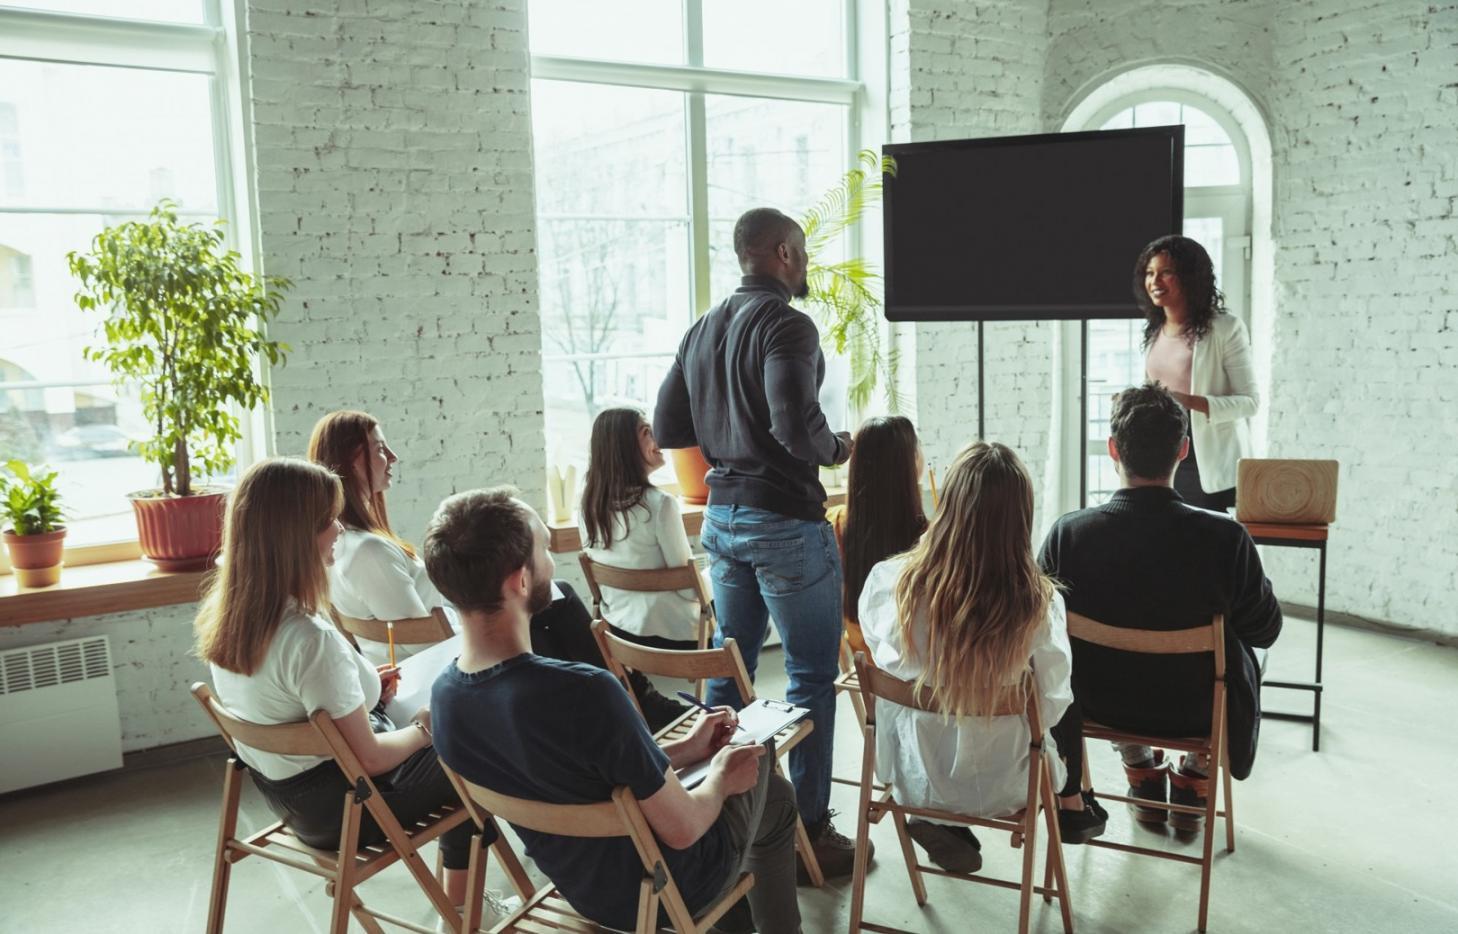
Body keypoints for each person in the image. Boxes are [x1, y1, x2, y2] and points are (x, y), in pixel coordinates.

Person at [425, 488, 802, 934]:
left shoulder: (444, 701)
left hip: (582, 889)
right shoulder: (585, 691)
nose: (551, 562)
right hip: (664, 888)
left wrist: (685, 749)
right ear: (519, 582)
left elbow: (597, 783)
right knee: (775, 797)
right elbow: (682, 830)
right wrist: (719, 777)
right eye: (545, 549)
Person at [194, 458, 515, 924]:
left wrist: (364, 693)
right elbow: (369, 760)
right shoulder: (307, 637)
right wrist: (428, 727)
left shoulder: (228, 618)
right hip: (347, 812)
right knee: (472, 739)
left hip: (292, 803)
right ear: (295, 537)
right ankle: (464, 908)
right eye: (328, 522)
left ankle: (461, 899)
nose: (339, 530)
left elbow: (296, 704)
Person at [654, 206, 861, 877]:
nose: (804, 265)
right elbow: (795, 428)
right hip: (785, 523)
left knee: (729, 675)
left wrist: (723, 462)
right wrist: (839, 449)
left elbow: (665, 420)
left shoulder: (702, 328)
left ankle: (724, 826)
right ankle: (808, 837)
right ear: (781, 253)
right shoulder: (787, 324)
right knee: (808, 678)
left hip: (723, 518)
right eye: (800, 253)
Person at [307, 410, 685, 729]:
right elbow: (426, 642)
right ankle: (630, 700)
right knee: (555, 599)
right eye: (379, 449)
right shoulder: (368, 551)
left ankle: (624, 699)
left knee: (553, 599)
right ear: (353, 459)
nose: (393, 456)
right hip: (429, 682)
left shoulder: (346, 546)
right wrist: (483, 612)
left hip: (427, 668)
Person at [1039, 383, 1282, 835]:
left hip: (1097, 702)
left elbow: (1037, 630)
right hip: (1197, 709)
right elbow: (1265, 629)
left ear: (1113, 449)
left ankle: (1138, 765)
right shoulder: (1227, 539)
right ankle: (1196, 771)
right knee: (1248, 651)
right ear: (1184, 450)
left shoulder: (1068, 535)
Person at [858, 442, 1106, 873]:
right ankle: (1072, 803)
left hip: (914, 775)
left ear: (947, 505)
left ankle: (937, 817)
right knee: (1061, 691)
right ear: (1021, 518)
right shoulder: (1038, 604)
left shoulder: (889, 584)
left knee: (928, 706)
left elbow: (888, 662)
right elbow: (1050, 708)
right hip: (1011, 785)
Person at [1136, 234, 1259, 512]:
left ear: (1190, 277)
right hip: (1162, 454)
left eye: (1166, 273)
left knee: (1206, 546)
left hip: (1209, 461)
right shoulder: (1154, 331)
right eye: (1149, 273)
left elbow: (1250, 402)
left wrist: (1187, 400)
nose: (1154, 282)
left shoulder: (1225, 328)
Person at [579, 407, 701, 651]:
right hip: (674, 634)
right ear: (625, 448)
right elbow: (690, 592)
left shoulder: (588, 503)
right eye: (647, 432)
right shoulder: (661, 505)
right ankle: (729, 689)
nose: (659, 438)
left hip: (619, 630)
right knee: (750, 620)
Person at [825, 415, 927, 667]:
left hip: (862, 659)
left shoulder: (835, 522)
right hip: (911, 667)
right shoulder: (929, 536)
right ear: (910, 464)